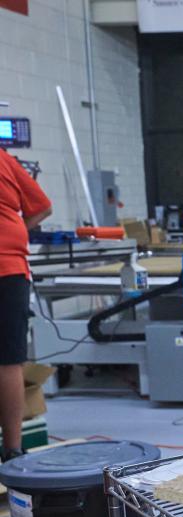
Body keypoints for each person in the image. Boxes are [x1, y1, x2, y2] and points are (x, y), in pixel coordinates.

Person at [0, 148, 52, 462]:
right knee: (9, 361)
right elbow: (42, 207)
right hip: (11, 270)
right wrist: (16, 228)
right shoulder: (5, 159)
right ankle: (12, 450)